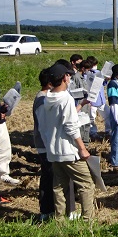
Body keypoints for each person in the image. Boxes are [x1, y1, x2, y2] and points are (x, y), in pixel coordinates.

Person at [36, 63, 96, 220]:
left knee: (58, 186)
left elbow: (44, 127)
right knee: (86, 184)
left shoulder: (46, 99)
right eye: (68, 75)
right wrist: (82, 148)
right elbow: (71, 127)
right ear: (64, 78)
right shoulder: (66, 98)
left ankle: (59, 219)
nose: (70, 78)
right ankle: (87, 219)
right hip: (69, 151)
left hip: (54, 152)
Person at [32, 67, 75, 220]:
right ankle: (49, 211)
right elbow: (47, 126)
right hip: (48, 146)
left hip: (48, 145)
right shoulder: (43, 100)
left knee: (51, 178)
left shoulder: (45, 98)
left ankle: (51, 211)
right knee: (51, 179)